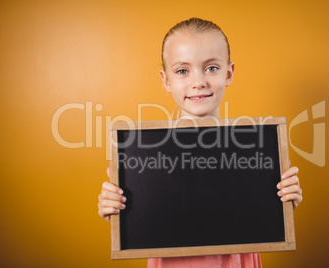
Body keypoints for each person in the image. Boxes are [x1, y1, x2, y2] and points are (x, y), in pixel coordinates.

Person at [98, 17, 303, 268]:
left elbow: (261, 213)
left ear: (229, 73)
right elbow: (141, 214)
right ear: (166, 80)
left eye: (211, 68)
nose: (199, 82)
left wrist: (283, 199)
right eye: (183, 70)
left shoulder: (259, 150)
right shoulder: (141, 155)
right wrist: (118, 210)